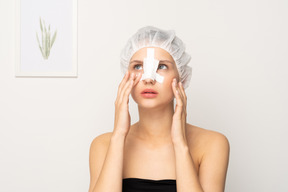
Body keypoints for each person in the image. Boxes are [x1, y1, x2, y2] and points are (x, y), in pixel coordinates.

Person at [88, 26, 230, 192]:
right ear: (126, 77)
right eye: (138, 66)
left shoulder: (212, 144)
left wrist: (180, 143)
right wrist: (119, 135)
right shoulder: (103, 145)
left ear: (181, 78)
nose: (148, 78)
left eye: (161, 66)